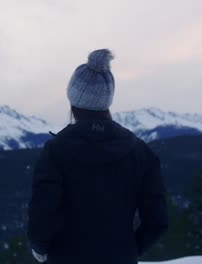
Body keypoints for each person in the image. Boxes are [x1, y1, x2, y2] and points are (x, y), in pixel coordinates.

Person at [27, 49, 168, 264]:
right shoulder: (140, 152)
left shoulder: (55, 152)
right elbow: (157, 221)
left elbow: (43, 210)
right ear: (107, 102)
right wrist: (128, 250)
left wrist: (40, 246)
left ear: (73, 99)